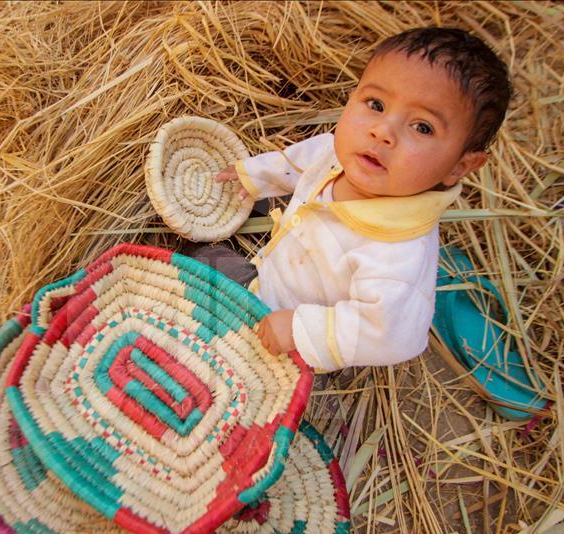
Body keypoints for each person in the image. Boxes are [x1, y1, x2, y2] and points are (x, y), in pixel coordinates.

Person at [208, 26, 511, 371]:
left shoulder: (397, 256)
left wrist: (297, 329)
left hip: (282, 340)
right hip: (268, 274)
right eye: (376, 104)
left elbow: (392, 336)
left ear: (460, 165)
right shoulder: (347, 155)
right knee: (200, 253)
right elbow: (305, 159)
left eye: (422, 127)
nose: (382, 131)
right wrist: (258, 175)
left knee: (205, 280)